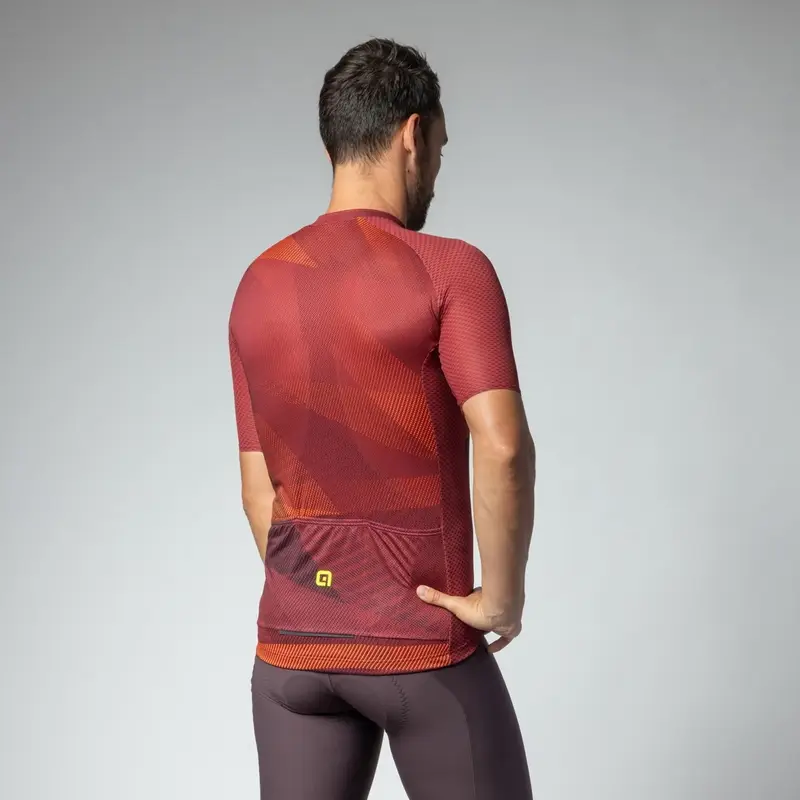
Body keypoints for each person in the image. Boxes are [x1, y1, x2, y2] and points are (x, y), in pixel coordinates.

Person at [228, 37, 537, 800]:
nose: (436, 169)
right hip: (421, 653)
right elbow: (502, 447)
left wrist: (323, 597)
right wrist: (500, 598)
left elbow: (259, 492)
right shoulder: (450, 269)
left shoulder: (259, 283)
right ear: (412, 135)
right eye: (440, 149)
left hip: (291, 658)